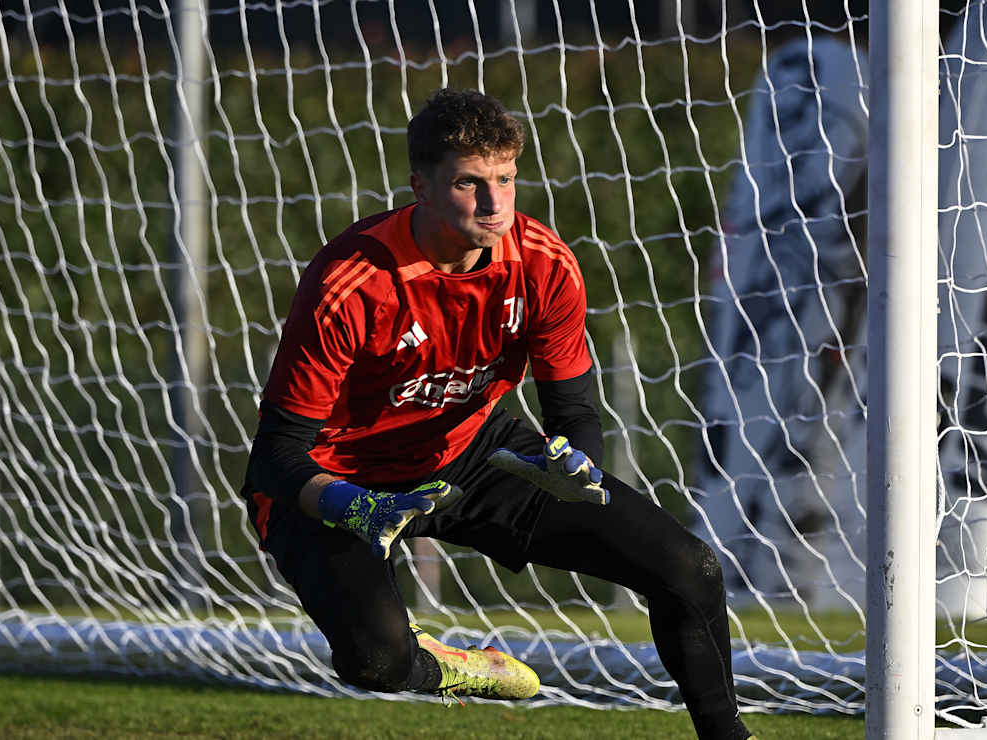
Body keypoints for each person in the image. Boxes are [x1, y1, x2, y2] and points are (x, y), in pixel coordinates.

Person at [241, 88, 754, 740]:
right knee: (376, 662)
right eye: (469, 182)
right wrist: (355, 506)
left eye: (506, 178)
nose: (495, 203)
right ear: (420, 188)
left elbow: (572, 409)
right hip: (338, 480)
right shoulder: (351, 280)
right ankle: (446, 665)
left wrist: (578, 464)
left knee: (690, 571)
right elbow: (276, 454)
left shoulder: (542, 264)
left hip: (472, 454)